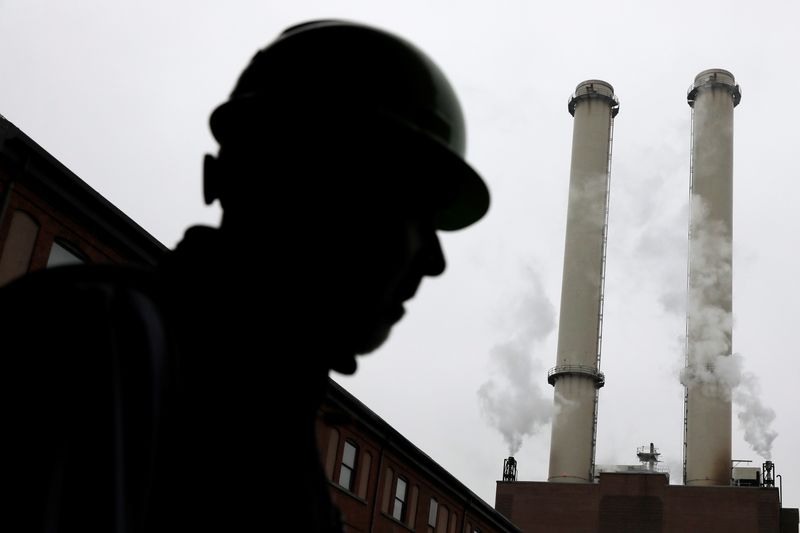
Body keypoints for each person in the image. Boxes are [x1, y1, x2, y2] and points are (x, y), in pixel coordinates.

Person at [3, 19, 489, 532]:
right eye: (414, 210)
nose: (434, 259)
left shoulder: (266, 424)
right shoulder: (90, 346)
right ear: (313, 186)